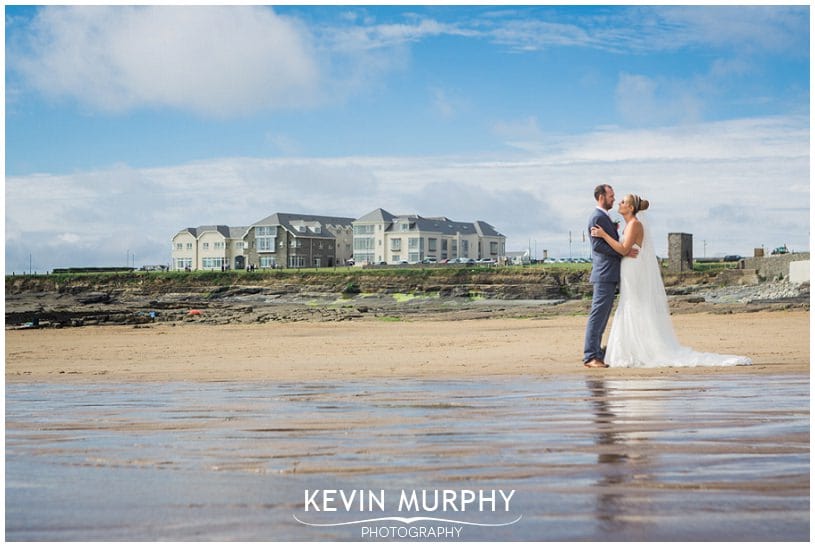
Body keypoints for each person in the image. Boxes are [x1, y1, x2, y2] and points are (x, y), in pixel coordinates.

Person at [590, 194, 752, 367]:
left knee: (633, 303)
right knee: (630, 303)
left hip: (632, 269)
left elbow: (623, 249)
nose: (619, 203)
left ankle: (635, 349)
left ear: (630, 208)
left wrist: (604, 235)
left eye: (623, 202)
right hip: (629, 268)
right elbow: (625, 249)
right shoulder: (630, 225)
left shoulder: (635, 224)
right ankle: (632, 347)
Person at [583, 184, 638, 369]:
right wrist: (622, 252)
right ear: (601, 197)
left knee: (603, 315)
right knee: (598, 316)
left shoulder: (603, 217)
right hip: (604, 273)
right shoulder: (597, 217)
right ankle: (590, 356)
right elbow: (598, 246)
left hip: (609, 273)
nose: (614, 199)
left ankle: (597, 352)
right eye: (611, 196)